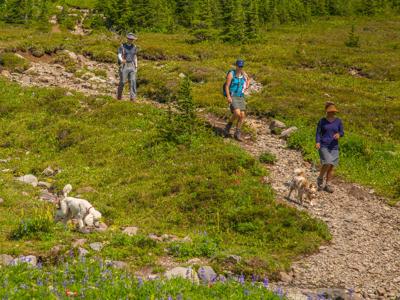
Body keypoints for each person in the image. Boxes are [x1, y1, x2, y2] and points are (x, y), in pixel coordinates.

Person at [315, 102, 344, 193]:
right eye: (330, 111)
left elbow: (342, 132)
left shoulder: (338, 121)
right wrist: (317, 142)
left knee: (331, 166)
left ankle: (327, 185)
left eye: (333, 111)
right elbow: (318, 133)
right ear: (327, 112)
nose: (332, 113)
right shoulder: (322, 121)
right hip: (324, 145)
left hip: (334, 146)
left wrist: (339, 134)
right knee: (327, 162)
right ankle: (320, 179)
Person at [223, 59, 249, 141]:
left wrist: (246, 88)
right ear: (236, 66)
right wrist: (228, 96)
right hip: (233, 96)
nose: (240, 68)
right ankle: (228, 126)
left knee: (242, 115)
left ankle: (237, 133)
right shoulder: (231, 74)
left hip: (241, 96)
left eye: (241, 66)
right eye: (239, 66)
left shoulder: (243, 74)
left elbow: (248, 80)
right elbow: (227, 86)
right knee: (237, 113)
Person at [117, 33, 138, 101]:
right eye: (130, 39)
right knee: (122, 81)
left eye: (132, 39)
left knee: (133, 81)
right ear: (127, 39)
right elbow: (119, 54)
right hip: (124, 65)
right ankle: (119, 97)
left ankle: (133, 98)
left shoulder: (134, 47)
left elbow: (135, 56)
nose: (131, 40)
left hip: (132, 64)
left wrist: (136, 66)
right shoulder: (122, 46)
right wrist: (121, 60)